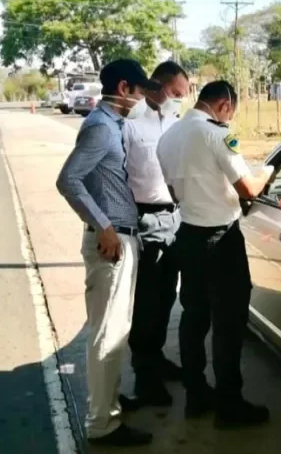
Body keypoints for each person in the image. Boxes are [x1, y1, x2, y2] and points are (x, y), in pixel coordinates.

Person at [156, 80, 274, 429]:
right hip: (221, 241)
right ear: (224, 106)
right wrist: (266, 172)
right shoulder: (219, 135)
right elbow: (249, 188)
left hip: (188, 236)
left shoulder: (169, 137)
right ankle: (230, 403)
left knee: (194, 317)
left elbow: (174, 191)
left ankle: (196, 395)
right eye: (231, 112)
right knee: (228, 322)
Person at [55, 58, 161, 447]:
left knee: (116, 332)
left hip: (119, 239)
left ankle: (109, 405)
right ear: (123, 87)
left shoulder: (113, 126)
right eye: (138, 90)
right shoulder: (101, 127)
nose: (141, 97)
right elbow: (68, 180)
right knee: (107, 335)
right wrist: (104, 226)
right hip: (109, 245)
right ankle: (103, 423)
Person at [119, 61, 190, 409]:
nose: (178, 100)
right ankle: (144, 376)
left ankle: (157, 358)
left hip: (175, 217)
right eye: (175, 94)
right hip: (145, 219)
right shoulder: (130, 125)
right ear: (157, 86)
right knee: (146, 303)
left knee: (166, 298)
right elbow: (115, 178)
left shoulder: (175, 123)